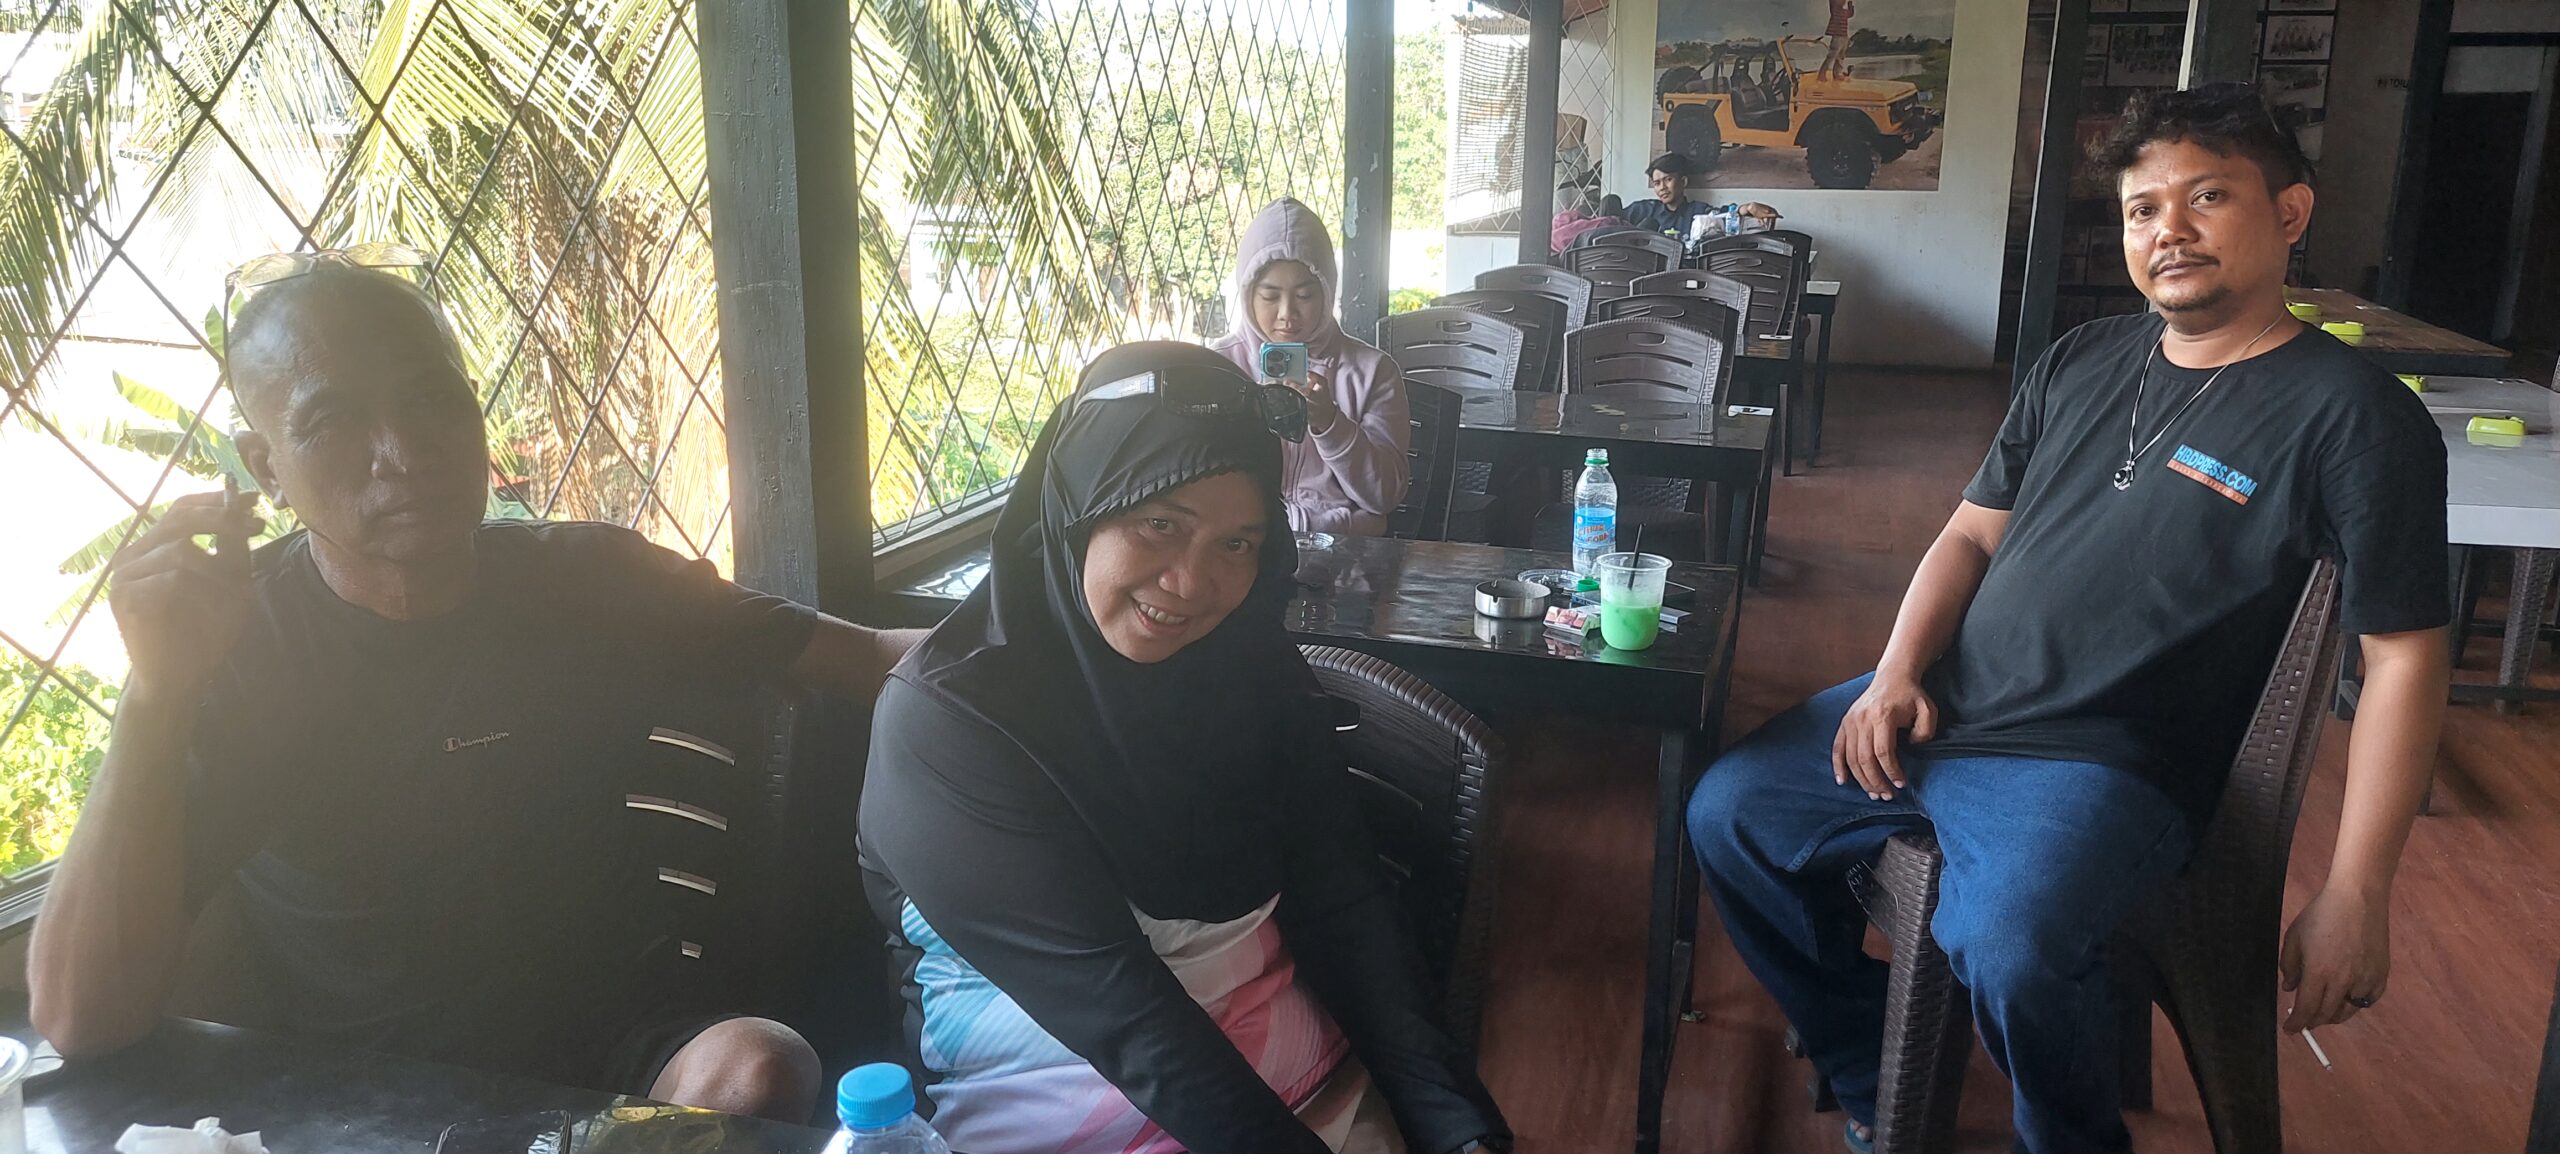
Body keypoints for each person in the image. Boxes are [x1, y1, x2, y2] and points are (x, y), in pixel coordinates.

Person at [1684, 82, 2448, 1154]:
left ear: (2289, 213)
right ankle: (1867, 1062)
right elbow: (1967, 535)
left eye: (2207, 196)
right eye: (2142, 209)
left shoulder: (2357, 416)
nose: (2168, 229)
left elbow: (2404, 657)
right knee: (1730, 813)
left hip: (2102, 755)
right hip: (1947, 706)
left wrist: (2358, 890)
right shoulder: (2082, 361)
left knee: (2012, 946)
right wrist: (1898, 669)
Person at [27, 257, 925, 1122]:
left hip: (627, 1065)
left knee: (762, 1067)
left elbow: (878, 656)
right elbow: (77, 1017)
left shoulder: (586, 580)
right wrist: (153, 696)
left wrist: (1022, 658)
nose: (402, 451)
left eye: (432, 399)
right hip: (372, 1100)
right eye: (332, 420)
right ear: (266, 467)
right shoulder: (237, 644)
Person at [858, 342, 1509, 1154]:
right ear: (1080, 505)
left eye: (1237, 544)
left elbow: (1343, 903)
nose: (1192, 583)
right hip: (1069, 1118)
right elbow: (1126, 1018)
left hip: (1311, 1088)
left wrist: (1458, 1128)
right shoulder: (952, 726)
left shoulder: (1248, 668)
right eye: (1160, 524)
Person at [1211, 197, 1410, 537]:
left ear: (1327, 292)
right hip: (1248, 545)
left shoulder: (1373, 372)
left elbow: (1384, 495)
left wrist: (1329, 423)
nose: (1287, 314)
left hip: (1344, 547)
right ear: (1247, 294)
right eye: (1270, 296)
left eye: (1304, 296)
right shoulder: (1219, 367)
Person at [1620, 152, 1779, 241]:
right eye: (1657, 183)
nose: (1662, 187)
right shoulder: (1644, 210)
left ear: (1683, 181)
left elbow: (1724, 216)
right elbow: (1611, 223)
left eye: (1668, 180)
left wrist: (1748, 208)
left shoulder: (1699, 212)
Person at [1821, 0, 1855, 78]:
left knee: (1841, 56)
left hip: (1844, 36)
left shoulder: (1845, 12)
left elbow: (1851, 13)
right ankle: (1822, 74)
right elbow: (1832, 3)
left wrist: (1850, 3)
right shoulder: (1835, 10)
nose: (1843, 1)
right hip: (1837, 37)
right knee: (1832, 56)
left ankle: (1837, 74)